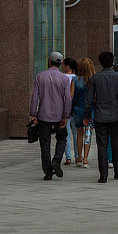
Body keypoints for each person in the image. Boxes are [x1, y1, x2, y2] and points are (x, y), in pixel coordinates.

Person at [84, 51, 118, 183]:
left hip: (99, 116)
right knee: (116, 143)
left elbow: (89, 99)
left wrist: (87, 115)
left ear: (100, 62)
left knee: (101, 145)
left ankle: (103, 174)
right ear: (113, 62)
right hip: (115, 116)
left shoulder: (95, 78)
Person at [29, 52, 72, 181]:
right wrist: (66, 115)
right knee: (62, 138)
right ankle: (57, 160)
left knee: (45, 143)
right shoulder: (64, 78)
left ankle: (47, 171)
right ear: (60, 63)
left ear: (49, 61)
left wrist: (33, 113)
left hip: (43, 114)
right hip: (59, 115)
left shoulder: (40, 76)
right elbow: (67, 98)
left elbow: (35, 96)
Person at [72, 58, 95, 167]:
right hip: (90, 110)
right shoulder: (94, 80)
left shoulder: (75, 80)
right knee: (88, 134)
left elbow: (71, 96)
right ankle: (86, 159)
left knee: (79, 134)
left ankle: (79, 157)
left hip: (77, 109)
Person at [61, 57, 79, 167]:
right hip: (76, 108)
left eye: (63, 64)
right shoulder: (77, 78)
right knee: (77, 134)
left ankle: (68, 157)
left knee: (65, 133)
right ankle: (78, 156)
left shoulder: (62, 78)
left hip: (64, 108)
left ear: (67, 66)